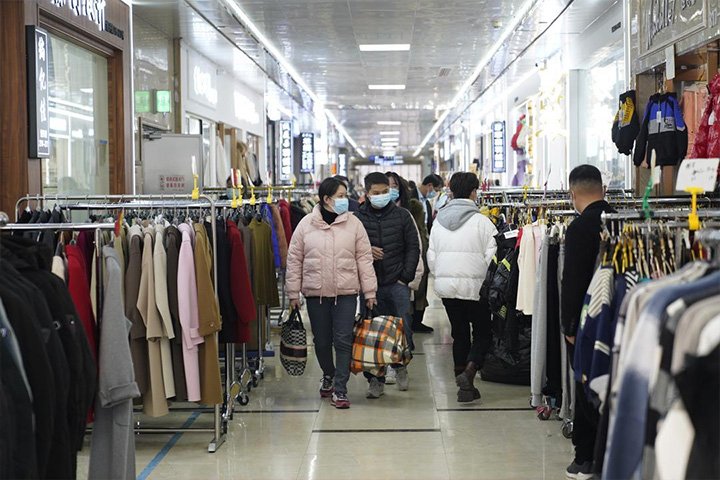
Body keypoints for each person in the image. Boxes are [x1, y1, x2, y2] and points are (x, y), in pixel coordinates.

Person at [285, 177, 378, 409]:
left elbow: (364, 259)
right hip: (315, 294)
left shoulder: (354, 224)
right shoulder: (306, 225)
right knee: (322, 341)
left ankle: (340, 388)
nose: (345, 200)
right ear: (326, 199)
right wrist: (293, 293)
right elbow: (294, 260)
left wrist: (369, 291)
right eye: (340, 196)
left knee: (344, 340)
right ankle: (328, 373)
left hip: (346, 293)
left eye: (345, 195)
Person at [561, 165, 614, 479]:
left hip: (587, 318)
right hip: (618, 312)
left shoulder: (580, 228)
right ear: (603, 189)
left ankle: (584, 459)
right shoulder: (621, 220)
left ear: (572, 193)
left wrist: (569, 327)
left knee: (585, 385)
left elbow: (572, 282)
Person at [427, 172, 497, 402]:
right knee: (483, 332)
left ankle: (463, 387)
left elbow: (432, 255)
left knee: (459, 333)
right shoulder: (482, 222)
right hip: (476, 288)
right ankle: (469, 373)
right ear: (473, 192)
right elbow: (493, 256)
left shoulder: (439, 222)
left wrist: (442, 276)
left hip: (447, 288)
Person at [355, 172, 420, 398]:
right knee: (372, 334)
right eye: (376, 193)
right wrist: (366, 251)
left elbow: (413, 247)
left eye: (385, 192)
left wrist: (405, 277)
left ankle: (400, 366)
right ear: (367, 194)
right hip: (369, 285)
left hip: (397, 282)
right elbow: (349, 248)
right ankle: (375, 379)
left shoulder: (402, 216)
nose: (382, 196)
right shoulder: (357, 219)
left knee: (403, 329)